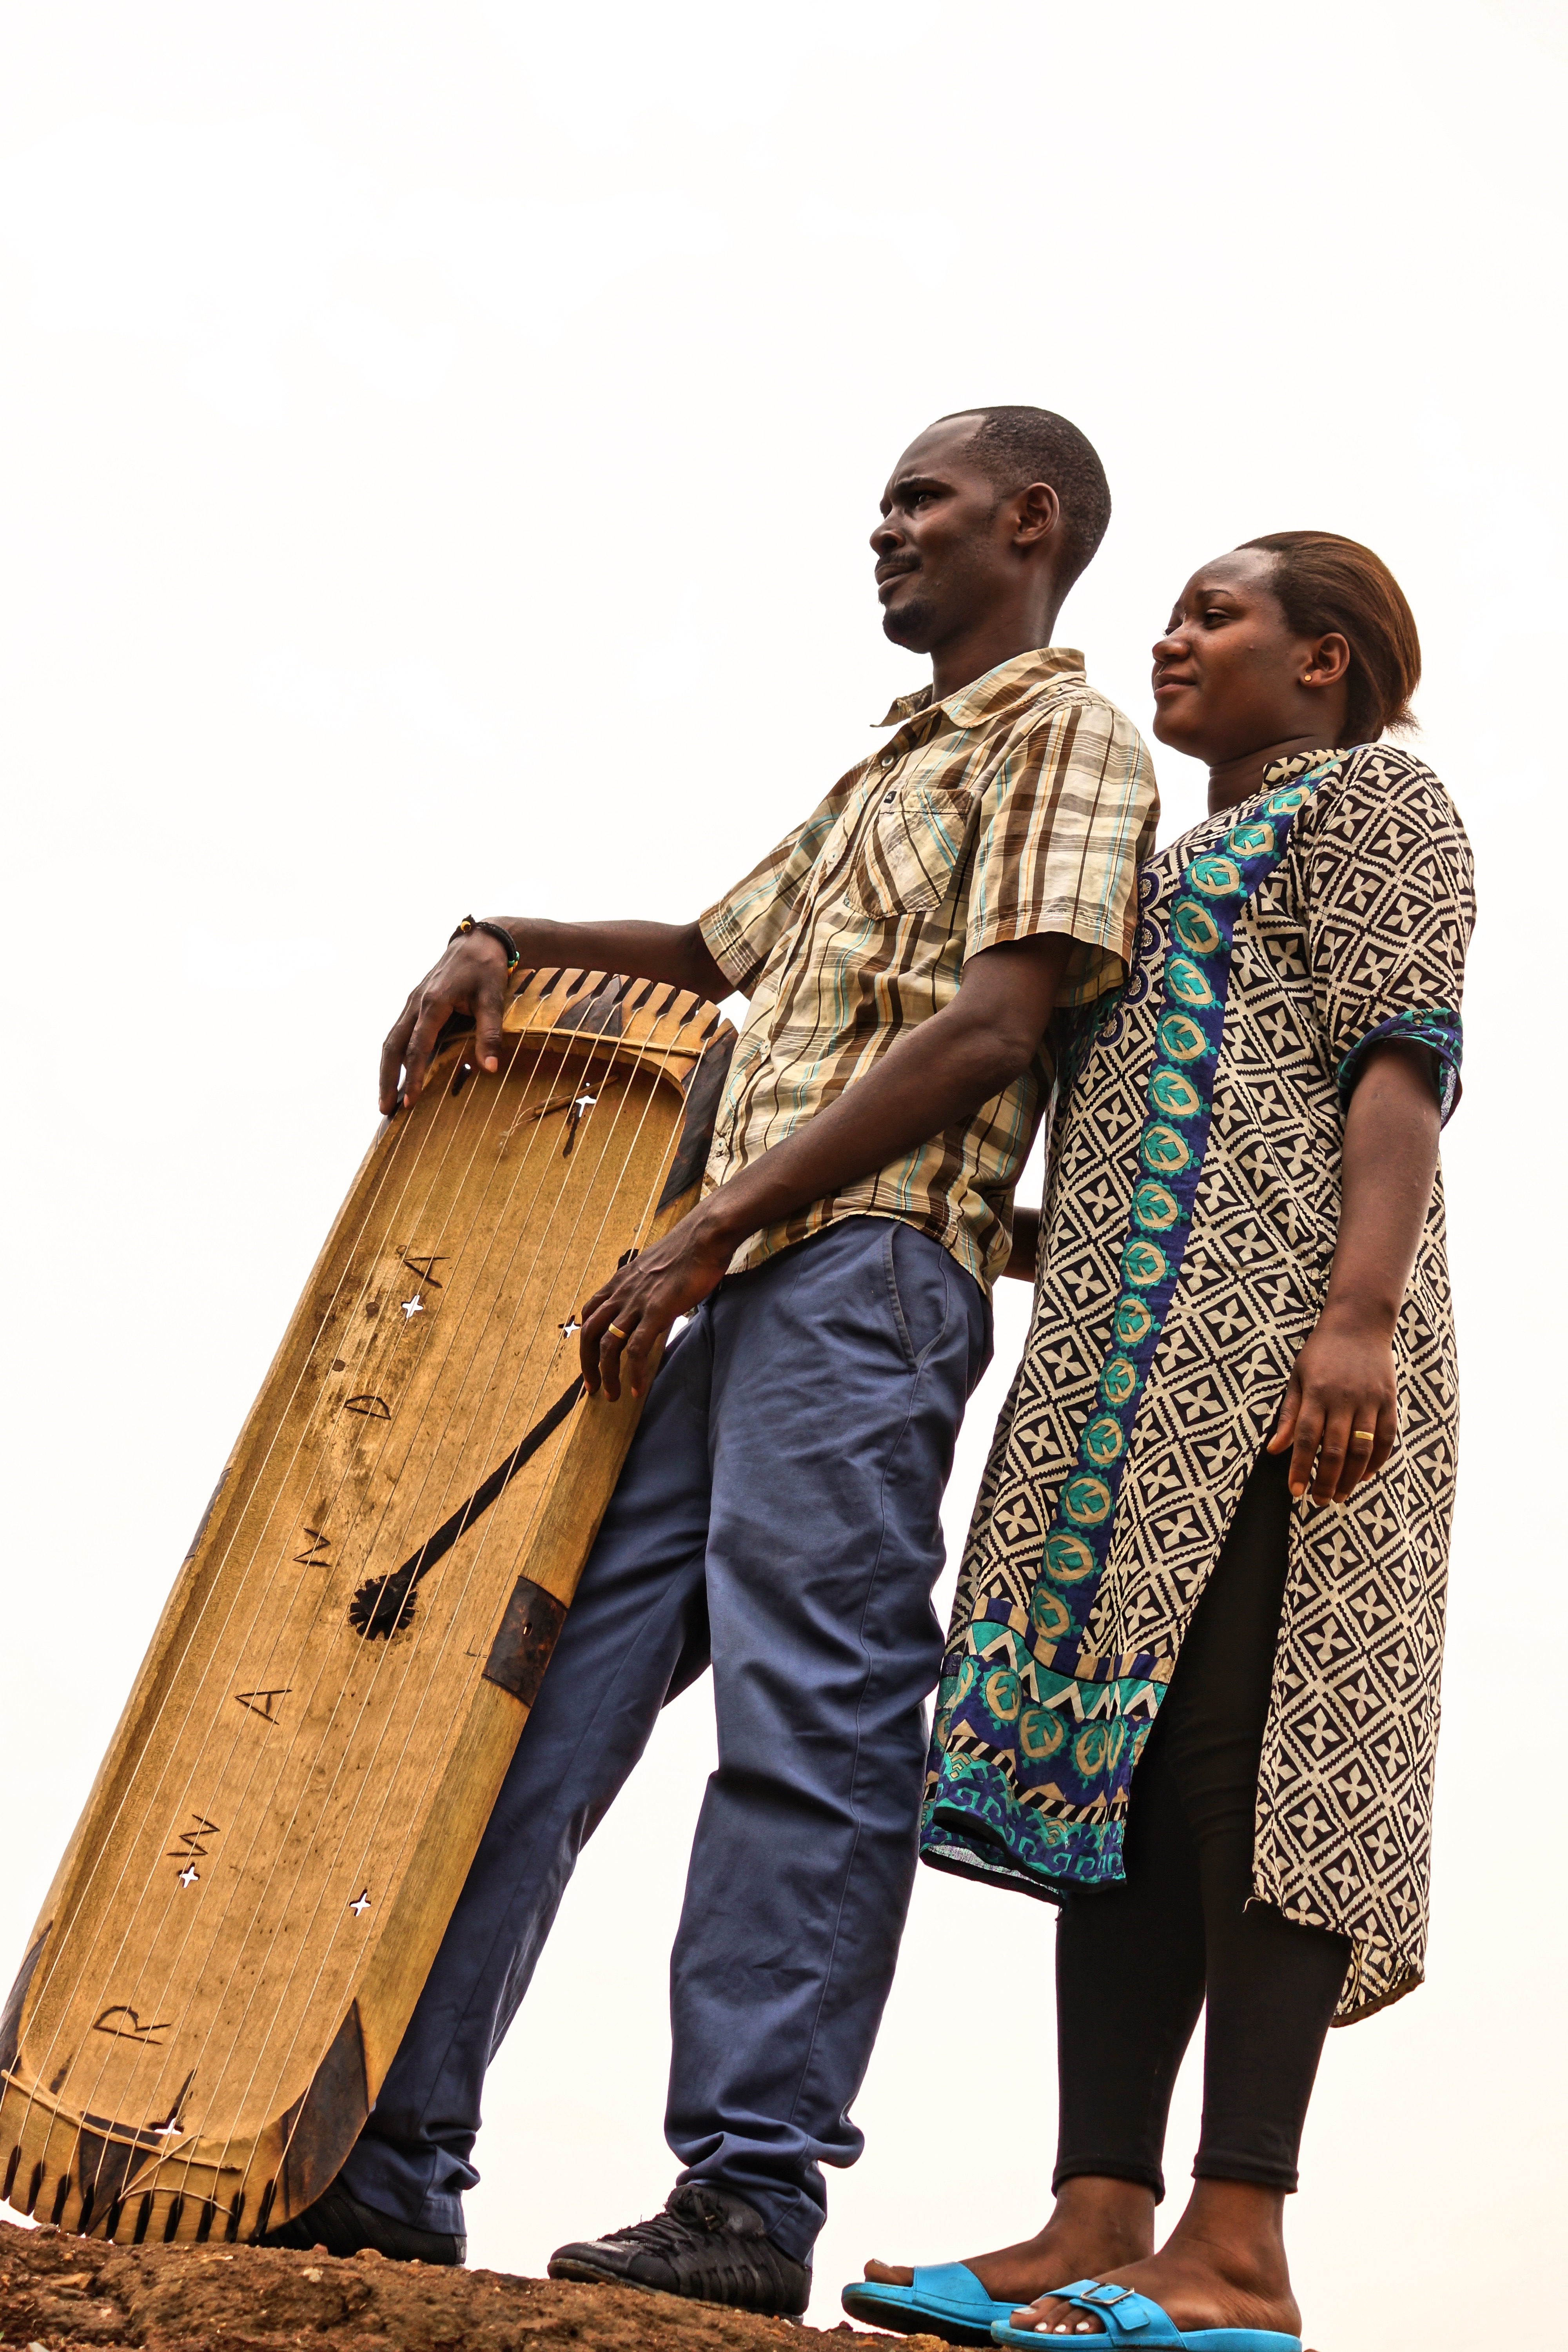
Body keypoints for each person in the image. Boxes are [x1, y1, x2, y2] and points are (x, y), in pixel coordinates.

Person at [264, 407, 1158, 2316]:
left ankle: (749, 2195)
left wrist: (703, 1222)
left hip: (866, 1276)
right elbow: (705, 950)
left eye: (920, 500)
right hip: (733, 1285)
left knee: (808, 1725)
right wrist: (497, 934)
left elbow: (996, 1029)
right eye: (881, 504)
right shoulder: (889, 767)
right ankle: (390, 2156)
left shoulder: (1068, 740)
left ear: (1030, 520)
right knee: (540, 1708)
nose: (884, 530)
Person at [846, 533, 1473, 2350]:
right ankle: (1096, 2213)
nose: (1171, 638)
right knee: (1108, 1779)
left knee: (1252, 1770)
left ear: (1324, 659)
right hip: (1126, 1398)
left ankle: (1240, 2246)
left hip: (1292, 1367)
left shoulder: (1377, 802)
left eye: (1216, 613)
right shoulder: (1155, 867)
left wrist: (1355, 1319)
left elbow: (1400, 1068)